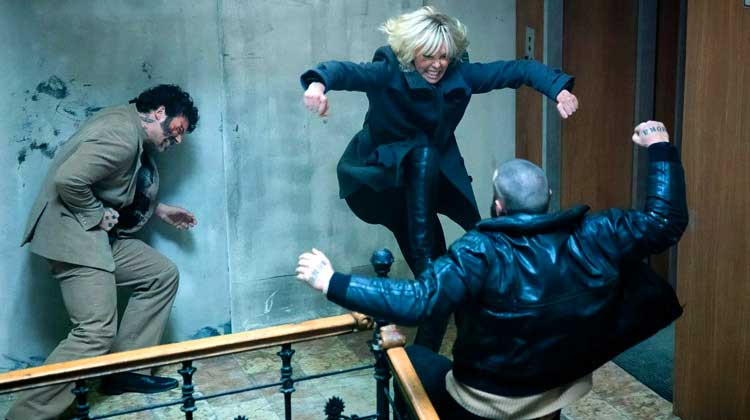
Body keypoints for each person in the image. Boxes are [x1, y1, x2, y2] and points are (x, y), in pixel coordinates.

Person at [296, 120, 687, 420]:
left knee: (409, 360)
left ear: (498, 205)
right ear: (549, 197)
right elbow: (664, 222)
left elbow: (419, 301)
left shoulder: (480, 251)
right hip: (559, 386)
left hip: (487, 403)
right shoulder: (594, 233)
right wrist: (660, 147)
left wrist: (331, 281)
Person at [300, 6, 579, 352]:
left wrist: (559, 90)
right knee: (424, 163)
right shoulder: (389, 71)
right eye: (428, 56)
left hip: (426, 184)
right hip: (382, 180)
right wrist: (318, 84)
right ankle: (436, 334)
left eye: (444, 56)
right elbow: (346, 72)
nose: (437, 65)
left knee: (436, 270)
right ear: (410, 53)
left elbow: (517, 70)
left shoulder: (460, 75)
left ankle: (429, 355)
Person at [7, 84, 200, 420]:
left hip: (93, 237)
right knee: (95, 331)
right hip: (73, 237)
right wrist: (96, 214)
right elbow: (69, 180)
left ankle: (125, 370)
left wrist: (159, 209)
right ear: (159, 113)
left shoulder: (126, 125)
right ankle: (23, 416)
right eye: (178, 129)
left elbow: (112, 184)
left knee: (160, 275)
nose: (179, 139)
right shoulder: (122, 135)